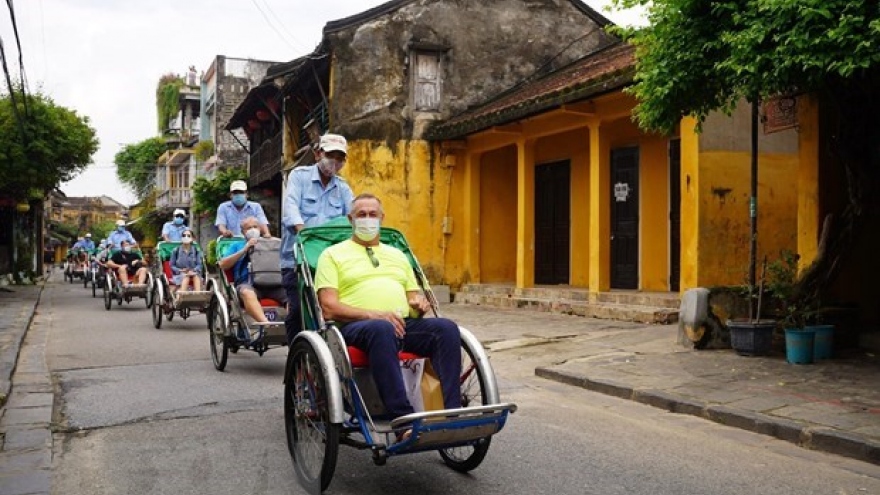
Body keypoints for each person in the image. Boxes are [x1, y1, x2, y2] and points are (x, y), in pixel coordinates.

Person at [314, 193, 461, 428]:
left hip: (401, 323)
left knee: (446, 328)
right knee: (382, 328)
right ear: (351, 219)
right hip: (355, 327)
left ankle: (453, 413)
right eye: (361, 214)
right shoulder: (332, 255)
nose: (368, 219)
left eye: (373, 214)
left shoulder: (398, 256)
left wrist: (419, 306)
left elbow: (412, 299)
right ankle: (403, 420)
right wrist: (373, 314)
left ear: (382, 218)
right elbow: (329, 307)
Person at [281, 133, 355, 345]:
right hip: (298, 259)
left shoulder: (342, 187)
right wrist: (302, 229)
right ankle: (296, 357)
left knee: (335, 308)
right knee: (297, 311)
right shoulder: (299, 176)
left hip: (331, 261)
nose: (335, 161)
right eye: (330, 155)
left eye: (340, 158)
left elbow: (353, 214)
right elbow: (291, 206)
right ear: (317, 154)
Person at [218, 216, 286, 339]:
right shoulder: (237, 245)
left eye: (255, 227)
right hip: (248, 284)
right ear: (243, 232)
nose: (253, 230)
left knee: (293, 295)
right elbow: (223, 264)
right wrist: (245, 249)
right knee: (247, 293)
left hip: (274, 283)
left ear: (260, 229)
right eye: (249, 228)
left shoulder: (273, 244)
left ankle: (289, 326)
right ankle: (267, 325)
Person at [169, 229, 203, 297]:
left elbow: (199, 265)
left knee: (195, 276)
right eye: (184, 235)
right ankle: (181, 297)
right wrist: (180, 270)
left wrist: (193, 270)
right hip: (180, 274)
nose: (186, 237)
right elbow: (172, 265)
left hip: (193, 273)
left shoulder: (196, 250)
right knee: (186, 276)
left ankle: (197, 296)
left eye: (188, 235)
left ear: (192, 238)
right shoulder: (176, 250)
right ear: (181, 238)